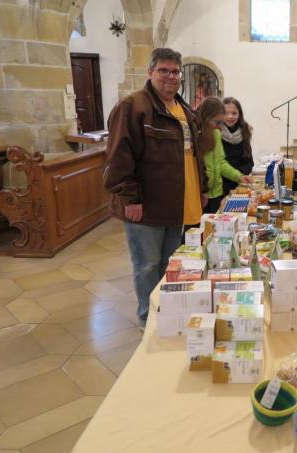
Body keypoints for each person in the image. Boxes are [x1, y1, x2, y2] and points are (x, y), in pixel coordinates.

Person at [103, 48, 206, 330]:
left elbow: (195, 156)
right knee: (147, 265)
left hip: (177, 203)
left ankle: (169, 314)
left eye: (175, 71)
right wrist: (130, 198)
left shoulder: (184, 110)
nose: (170, 77)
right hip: (146, 205)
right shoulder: (133, 107)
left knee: (171, 264)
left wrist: (202, 188)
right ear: (150, 72)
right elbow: (119, 157)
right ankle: (148, 319)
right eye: (163, 70)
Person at [195, 96, 253, 214]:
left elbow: (221, 163)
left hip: (216, 192)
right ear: (205, 117)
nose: (219, 126)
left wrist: (238, 176)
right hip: (200, 193)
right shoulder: (195, 135)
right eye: (217, 122)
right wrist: (201, 190)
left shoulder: (216, 133)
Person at [220, 97, 255, 196]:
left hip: (239, 183)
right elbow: (218, 163)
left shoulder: (244, 131)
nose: (230, 116)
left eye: (234, 113)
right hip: (220, 186)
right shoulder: (216, 131)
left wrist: (239, 176)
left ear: (239, 115)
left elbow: (249, 161)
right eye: (226, 113)